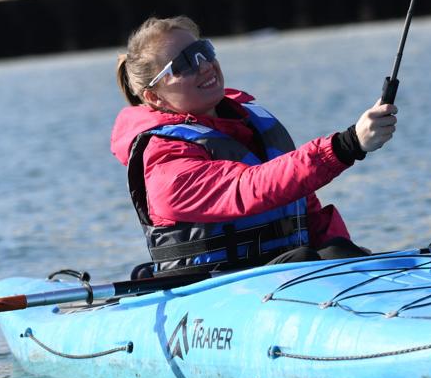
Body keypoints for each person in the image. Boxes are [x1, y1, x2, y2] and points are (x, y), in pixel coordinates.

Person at [110, 15, 397, 277]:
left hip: (286, 270)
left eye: (204, 51)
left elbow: (304, 208)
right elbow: (248, 188)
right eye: (185, 63)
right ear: (155, 97)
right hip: (213, 290)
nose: (205, 65)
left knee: (337, 253)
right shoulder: (164, 159)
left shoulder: (253, 122)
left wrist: (353, 263)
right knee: (302, 260)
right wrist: (347, 145)